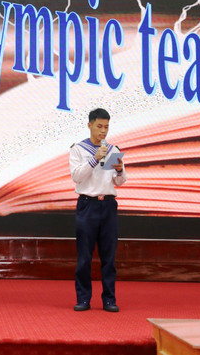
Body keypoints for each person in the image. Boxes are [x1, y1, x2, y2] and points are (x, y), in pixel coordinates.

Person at [69, 108, 126, 312]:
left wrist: (119, 169)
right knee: (85, 256)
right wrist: (94, 159)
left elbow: (119, 181)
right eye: (99, 126)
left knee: (109, 256)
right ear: (90, 125)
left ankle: (109, 299)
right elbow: (77, 177)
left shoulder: (112, 149)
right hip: (88, 204)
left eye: (106, 127)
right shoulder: (78, 149)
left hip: (108, 205)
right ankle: (83, 298)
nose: (103, 131)